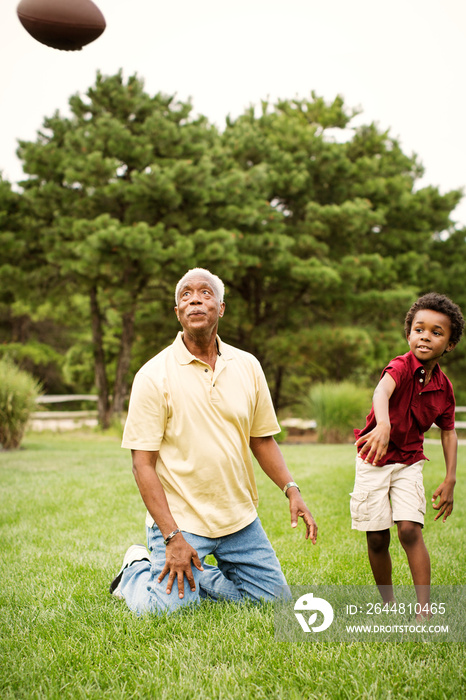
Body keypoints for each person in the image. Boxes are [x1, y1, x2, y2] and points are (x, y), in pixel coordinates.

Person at [110, 267, 317, 615]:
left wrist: (291, 489)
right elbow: (142, 463)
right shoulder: (152, 375)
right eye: (185, 295)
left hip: (239, 519)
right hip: (183, 523)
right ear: (178, 312)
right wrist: (173, 537)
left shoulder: (248, 365)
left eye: (205, 293)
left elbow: (262, 440)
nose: (195, 298)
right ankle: (135, 569)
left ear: (220, 308)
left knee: (275, 602)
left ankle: (199, 575)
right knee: (164, 612)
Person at [351, 292, 464, 617]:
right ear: (409, 334)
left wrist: (451, 477)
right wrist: (383, 425)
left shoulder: (444, 388)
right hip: (373, 458)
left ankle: (424, 610)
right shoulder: (400, 367)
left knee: (409, 529)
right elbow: (381, 391)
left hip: (409, 461)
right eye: (419, 329)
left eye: (436, 332)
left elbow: (448, 431)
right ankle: (388, 605)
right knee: (376, 537)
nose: (425, 336)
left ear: (450, 344)